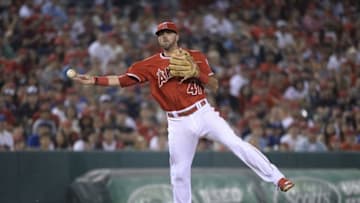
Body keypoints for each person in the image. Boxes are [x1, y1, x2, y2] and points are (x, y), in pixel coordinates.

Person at [70, 21, 294, 203]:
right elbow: (123, 80)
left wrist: (197, 73)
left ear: (176, 36)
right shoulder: (149, 64)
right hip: (177, 122)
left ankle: (278, 178)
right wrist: (94, 80)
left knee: (235, 143)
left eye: (168, 33)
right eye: (160, 34)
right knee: (178, 172)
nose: (164, 37)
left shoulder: (195, 56)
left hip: (203, 112)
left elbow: (214, 85)